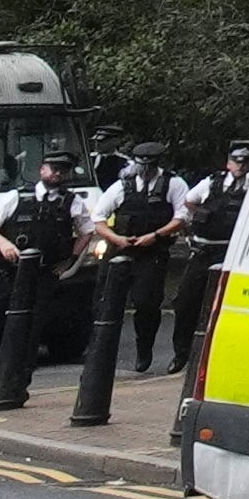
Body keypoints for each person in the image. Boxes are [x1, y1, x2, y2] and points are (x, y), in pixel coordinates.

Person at [74, 158, 179, 425]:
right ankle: (96, 350)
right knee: (104, 304)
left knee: (147, 303)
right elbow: (98, 218)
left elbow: (182, 216)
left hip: (152, 251)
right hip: (120, 248)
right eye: (142, 164)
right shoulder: (121, 186)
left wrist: (155, 235)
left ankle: (145, 349)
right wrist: (116, 239)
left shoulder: (173, 184)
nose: (145, 169)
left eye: (151, 165)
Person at [0, 156, 85, 411]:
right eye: (53, 169)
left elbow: (87, 231)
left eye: (63, 171)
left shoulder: (73, 202)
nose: (58, 174)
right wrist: (4, 244)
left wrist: (69, 259)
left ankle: (18, 385)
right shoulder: (17, 197)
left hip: (42, 274)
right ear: (42, 170)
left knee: (32, 330)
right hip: (7, 272)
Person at [166, 142, 249, 400]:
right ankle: (181, 353)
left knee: (226, 308)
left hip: (230, 254)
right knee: (185, 302)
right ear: (229, 163)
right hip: (203, 252)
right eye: (237, 161)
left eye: (246, 162)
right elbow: (190, 201)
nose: (241, 166)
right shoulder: (212, 183)